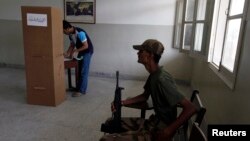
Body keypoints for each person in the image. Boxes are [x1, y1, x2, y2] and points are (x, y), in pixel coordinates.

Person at [100, 39, 197, 141]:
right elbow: (144, 96)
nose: (138, 53)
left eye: (141, 51)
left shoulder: (161, 79)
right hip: (153, 123)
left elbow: (191, 108)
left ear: (150, 55)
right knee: (110, 122)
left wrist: (168, 131)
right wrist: (121, 102)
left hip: (160, 130)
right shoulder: (154, 74)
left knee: (105, 139)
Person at [63, 20, 94, 97]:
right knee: (79, 70)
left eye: (63, 31)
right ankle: (77, 88)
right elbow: (72, 45)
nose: (63, 33)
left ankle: (82, 90)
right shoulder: (70, 34)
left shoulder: (80, 33)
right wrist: (67, 53)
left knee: (84, 71)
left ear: (67, 28)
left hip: (87, 51)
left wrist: (75, 51)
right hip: (81, 51)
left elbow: (86, 46)